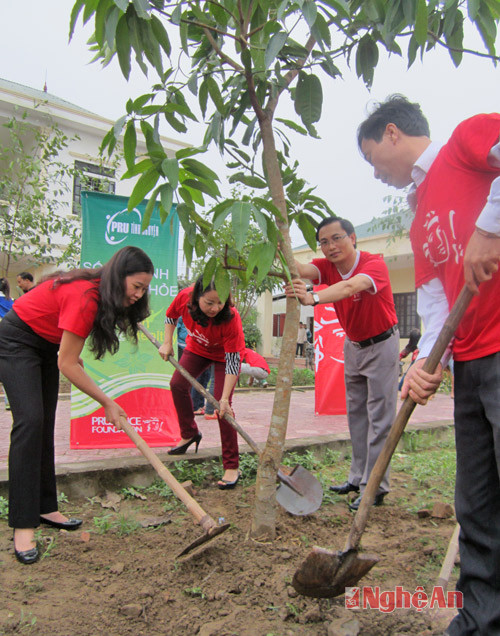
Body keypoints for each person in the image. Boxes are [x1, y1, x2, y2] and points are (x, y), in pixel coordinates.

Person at [358, 95, 500, 635]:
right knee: (477, 501)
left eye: (373, 160)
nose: (376, 174)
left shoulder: (466, 144)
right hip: (471, 360)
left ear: (393, 134)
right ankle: (481, 620)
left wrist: (489, 224)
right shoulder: (419, 217)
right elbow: (436, 300)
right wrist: (426, 362)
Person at [0, 246, 154, 565]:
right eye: (137, 286)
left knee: (42, 424)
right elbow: (67, 365)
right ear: (119, 276)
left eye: (144, 288)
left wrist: (65, 353)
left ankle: (45, 508)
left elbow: (64, 347)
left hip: (44, 345)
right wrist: (108, 403)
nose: (140, 294)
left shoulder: (100, 293)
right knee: (29, 423)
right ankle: (23, 526)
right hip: (14, 342)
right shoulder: (87, 296)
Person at [285, 216, 399, 511]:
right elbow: (298, 268)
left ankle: (375, 487)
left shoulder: (373, 264)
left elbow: (351, 287)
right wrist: (277, 235)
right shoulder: (326, 268)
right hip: (354, 345)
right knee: (357, 416)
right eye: (324, 241)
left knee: (380, 419)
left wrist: (313, 297)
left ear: (353, 238)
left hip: (382, 344)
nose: (331, 246)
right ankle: (357, 477)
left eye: (337, 238)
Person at [159, 276, 245, 489]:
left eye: (220, 302)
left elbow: (234, 359)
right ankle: (189, 434)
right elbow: (170, 317)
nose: (216, 308)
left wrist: (224, 398)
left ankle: (232, 465)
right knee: (177, 384)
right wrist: (167, 342)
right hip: (197, 349)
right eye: (209, 303)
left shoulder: (231, 317)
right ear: (197, 297)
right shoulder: (184, 298)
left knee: (220, 407)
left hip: (225, 357)